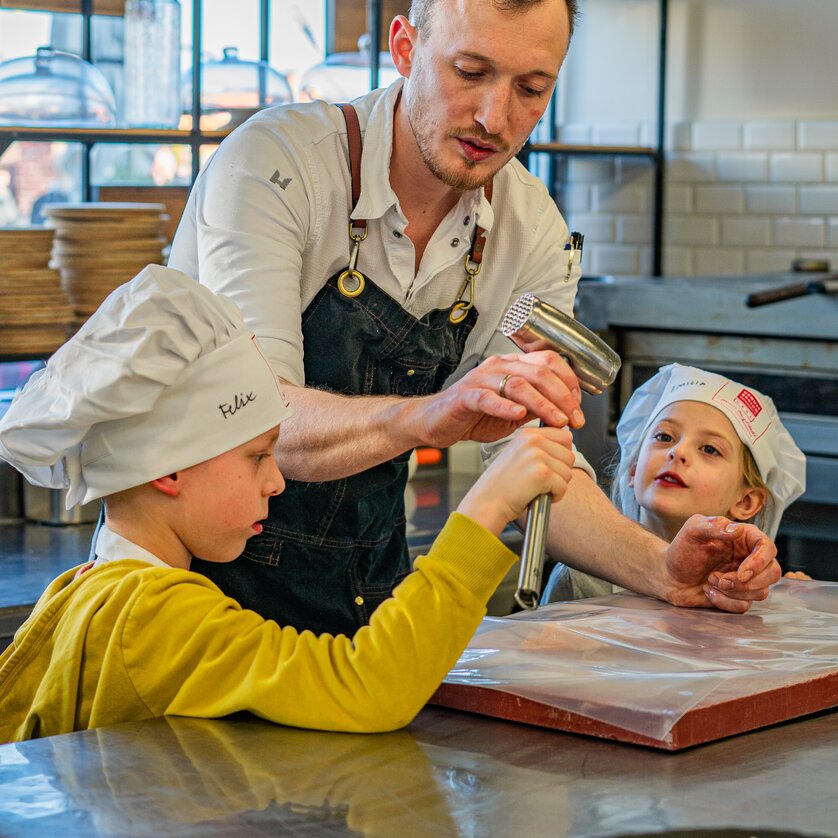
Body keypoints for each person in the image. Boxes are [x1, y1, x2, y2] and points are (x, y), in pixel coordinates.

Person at [168, 0, 781, 635]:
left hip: (365, 603)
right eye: (469, 71)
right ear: (405, 49)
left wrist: (666, 570)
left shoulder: (531, 227)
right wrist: (430, 414)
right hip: (195, 596)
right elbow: (258, 420)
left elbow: (534, 460)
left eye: (531, 88)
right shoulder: (278, 165)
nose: (496, 118)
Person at [0, 265, 577, 742]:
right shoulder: (153, 617)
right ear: (169, 470)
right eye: (257, 456)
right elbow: (368, 688)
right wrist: (488, 507)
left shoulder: (88, 589)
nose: (277, 482)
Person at [542, 364, 809, 602]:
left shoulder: (745, 592)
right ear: (633, 471)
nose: (678, 452)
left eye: (709, 449)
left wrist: (795, 614)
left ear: (745, 501)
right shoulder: (583, 580)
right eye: (664, 437)